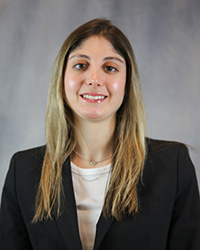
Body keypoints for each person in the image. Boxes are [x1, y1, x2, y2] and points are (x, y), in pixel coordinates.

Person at [0, 18, 200, 250]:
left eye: (110, 68)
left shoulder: (172, 165)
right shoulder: (23, 171)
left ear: (127, 83)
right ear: (62, 77)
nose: (94, 79)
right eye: (81, 65)